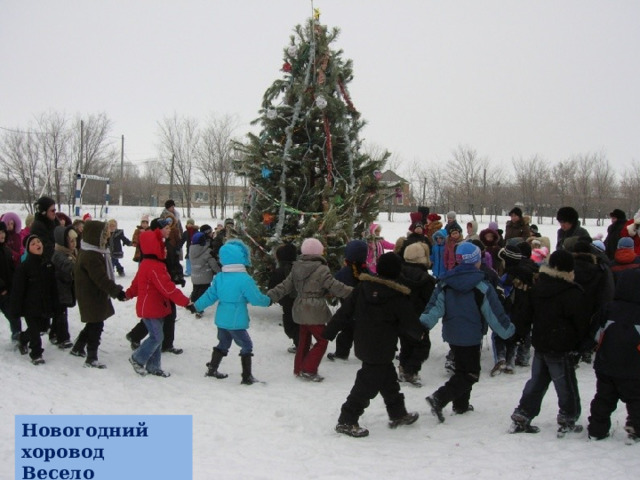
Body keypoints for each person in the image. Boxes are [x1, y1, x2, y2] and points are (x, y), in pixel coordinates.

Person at [323, 252, 422, 437]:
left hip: (364, 343)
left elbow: (345, 311)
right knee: (366, 385)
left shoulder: (363, 287)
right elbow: (410, 323)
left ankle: (398, 413)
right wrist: (420, 336)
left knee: (389, 381)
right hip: (382, 347)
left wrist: (330, 330)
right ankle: (346, 420)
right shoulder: (397, 295)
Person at [420, 243, 515, 422]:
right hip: (471, 335)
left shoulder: (445, 283)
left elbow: (434, 307)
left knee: (462, 369)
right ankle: (439, 398)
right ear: (476, 261)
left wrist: (423, 325)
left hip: (453, 335)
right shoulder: (482, 286)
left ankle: (461, 405)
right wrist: (508, 331)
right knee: (470, 373)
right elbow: (494, 312)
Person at [509, 250, 587, 435]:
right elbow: (580, 322)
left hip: (541, 342)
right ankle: (568, 417)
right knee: (565, 383)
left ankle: (524, 412)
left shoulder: (539, 287)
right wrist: (581, 344)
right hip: (561, 345)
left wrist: (520, 333)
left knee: (537, 381)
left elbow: (526, 313)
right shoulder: (571, 292)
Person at [268, 237, 353, 382]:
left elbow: (285, 286)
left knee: (304, 340)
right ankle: (309, 369)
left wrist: (270, 295)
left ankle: (299, 367)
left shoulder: (296, 267)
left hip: (300, 307)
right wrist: (354, 292)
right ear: (319, 252)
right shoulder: (321, 269)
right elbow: (335, 286)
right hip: (314, 309)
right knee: (322, 339)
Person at [194, 239, 271, 385]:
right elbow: (256, 299)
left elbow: (210, 295)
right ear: (241, 257)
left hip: (222, 319)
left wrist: (196, 306)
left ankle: (212, 368)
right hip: (236, 319)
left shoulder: (220, 277)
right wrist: (268, 301)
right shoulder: (244, 279)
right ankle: (247, 376)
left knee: (223, 342)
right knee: (246, 345)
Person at [126, 228, 194, 377]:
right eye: (161, 246)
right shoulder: (154, 267)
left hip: (156, 307)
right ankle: (137, 358)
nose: (164, 249)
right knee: (157, 337)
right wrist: (187, 303)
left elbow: (136, 284)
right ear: (154, 247)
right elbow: (168, 289)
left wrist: (128, 294)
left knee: (157, 336)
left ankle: (154, 366)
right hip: (150, 309)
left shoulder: (148, 264)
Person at [587, 269, 640, 443]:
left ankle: (596, 429)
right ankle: (635, 428)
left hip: (606, 363)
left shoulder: (609, 308)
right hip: (634, 366)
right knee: (636, 398)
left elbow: (596, 333)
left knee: (603, 398)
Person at [70, 220, 127, 368]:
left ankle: (78, 347)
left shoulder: (92, 251)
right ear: (96, 236)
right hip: (91, 296)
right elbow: (101, 279)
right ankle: (91, 357)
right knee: (96, 325)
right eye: (105, 235)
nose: (107, 238)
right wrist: (117, 292)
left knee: (92, 323)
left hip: (93, 295)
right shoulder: (91, 256)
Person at [10, 235, 58, 365]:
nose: (38, 244)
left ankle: (23, 338)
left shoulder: (48, 264)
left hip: (44, 304)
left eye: (39, 241)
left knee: (41, 327)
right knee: (35, 331)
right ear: (28, 249)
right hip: (29, 306)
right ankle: (36, 354)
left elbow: (53, 286)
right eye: (33, 243)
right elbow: (18, 290)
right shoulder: (24, 267)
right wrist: (15, 309)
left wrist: (55, 303)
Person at [397, 242, 436, 386]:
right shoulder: (427, 280)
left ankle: (403, 367)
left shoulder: (397, 274)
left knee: (405, 343)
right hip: (419, 317)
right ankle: (411, 371)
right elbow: (430, 299)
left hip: (401, 316)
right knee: (422, 345)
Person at [326, 240, 369, 361]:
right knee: (363, 333)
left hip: (348, 310)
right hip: (365, 310)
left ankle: (341, 353)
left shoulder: (344, 272)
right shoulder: (367, 271)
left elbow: (334, 285)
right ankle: (366, 353)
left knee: (346, 333)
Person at [50, 225, 78, 349]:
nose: (74, 244)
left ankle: (54, 333)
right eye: (71, 241)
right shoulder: (58, 255)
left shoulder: (72, 253)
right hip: (58, 289)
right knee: (61, 313)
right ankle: (63, 337)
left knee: (60, 313)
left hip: (65, 289)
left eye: (75, 241)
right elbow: (69, 267)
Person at [269, 243, 299, 353]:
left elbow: (272, 286)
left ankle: (300, 343)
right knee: (297, 322)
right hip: (299, 300)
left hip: (287, 302)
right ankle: (301, 341)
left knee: (290, 325)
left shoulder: (279, 271)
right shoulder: (299, 268)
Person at [189, 224, 220, 315]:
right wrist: (219, 272)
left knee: (196, 290)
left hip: (195, 276)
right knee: (203, 294)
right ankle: (199, 309)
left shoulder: (192, 251)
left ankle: (192, 302)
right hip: (205, 277)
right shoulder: (207, 252)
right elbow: (213, 264)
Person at [0, 222, 21, 341]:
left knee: (13, 315)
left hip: (7, 291)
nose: (2, 235)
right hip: (2, 290)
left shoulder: (7, 250)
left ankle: (17, 336)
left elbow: (12, 270)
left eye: (3, 232)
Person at [30, 196, 60, 261]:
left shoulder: (55, 222)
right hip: (44, 262)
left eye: (55, 210)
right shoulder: (38, 227)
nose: (55, 213)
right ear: (44, 212)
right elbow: (47, 249)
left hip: (57, 258)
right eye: (52, 210)